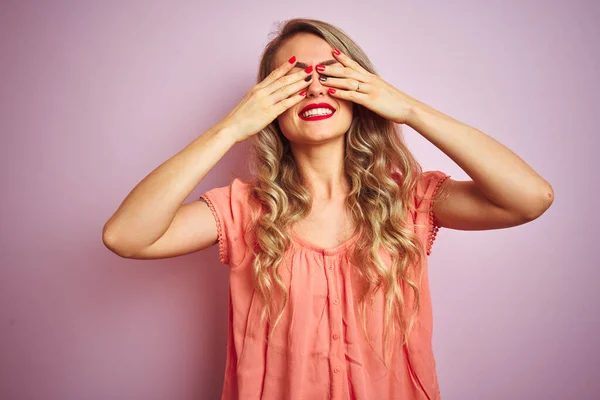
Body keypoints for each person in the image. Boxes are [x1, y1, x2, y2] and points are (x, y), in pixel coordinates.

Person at [102, 18, 553, 400]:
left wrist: (409, 110)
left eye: (332, 74)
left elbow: (531, 198)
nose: (316, 86)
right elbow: (125, 237)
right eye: (295, 80)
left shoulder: (410, 201)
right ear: (269, 105)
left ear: (362, 90)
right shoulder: (245, 210)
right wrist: (229, 128)